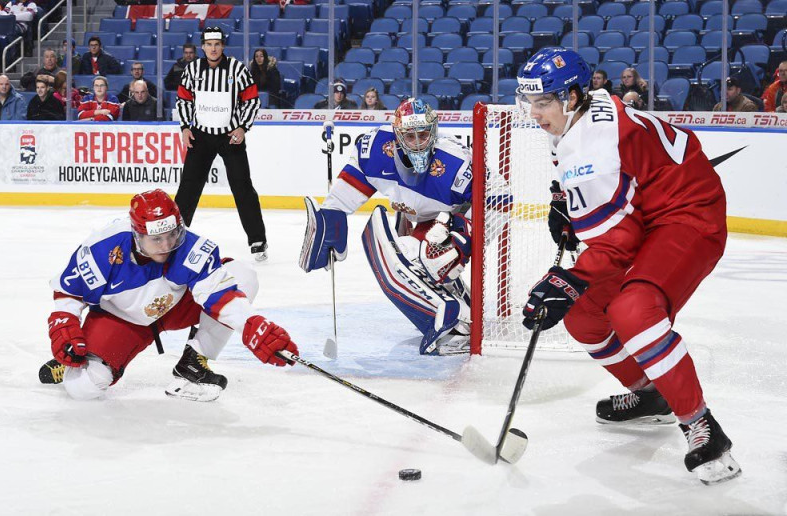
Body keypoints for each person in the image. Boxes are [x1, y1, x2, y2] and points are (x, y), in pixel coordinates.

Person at [516, 47, 740, 485]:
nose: (535, 113)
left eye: (543, 102)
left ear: (574, 95)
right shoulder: (577, 114)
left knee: (632, 310)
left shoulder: (594, 149)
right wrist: (565, 201)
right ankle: (650, 394)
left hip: (688, 215)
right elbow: (597, 178)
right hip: (647, 209)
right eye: (530, 102)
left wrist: (566, 280)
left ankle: (703, 427)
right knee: (583, 316)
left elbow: (618, 243)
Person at [37, 189, 299, 402]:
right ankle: (77, 361)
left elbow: (221, 293)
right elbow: (69, 291)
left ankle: (193, 362)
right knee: (83, 389)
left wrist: (254, 327)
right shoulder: (103, 248)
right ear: (137, 235)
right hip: (121, 320)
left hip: (176, 307)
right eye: (157, 239)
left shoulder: (189, 247)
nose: (167, 245)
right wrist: (66, 326)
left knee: (241, 274)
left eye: (172, 235)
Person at [299, 98, 473, 356]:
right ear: (396, 135)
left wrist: (462, 237)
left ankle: (449, 323)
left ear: (434, 132)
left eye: (423, 135)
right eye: (409, 136)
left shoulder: (456, 161)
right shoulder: (376, 149)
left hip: (451, 218)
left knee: (421, 255)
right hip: (419, 220)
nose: (417, 143)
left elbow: (496, 200)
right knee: (411, 253)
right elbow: (348, 190)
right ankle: (463, 312)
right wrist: (331, 219)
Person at [175, 27, 269, 261]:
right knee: (188, 187)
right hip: (201, 135)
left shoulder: (237, 69)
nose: (213, 48)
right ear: (203, 47)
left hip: (230, 136)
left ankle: (258, 239)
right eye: (209, 44)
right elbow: (184, 99)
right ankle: (174, 237)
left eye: (217, 44)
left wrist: (242, 127)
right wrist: (186, 126)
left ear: (223, 46)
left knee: (242, 187)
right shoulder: (192, 69)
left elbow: (252, 101)